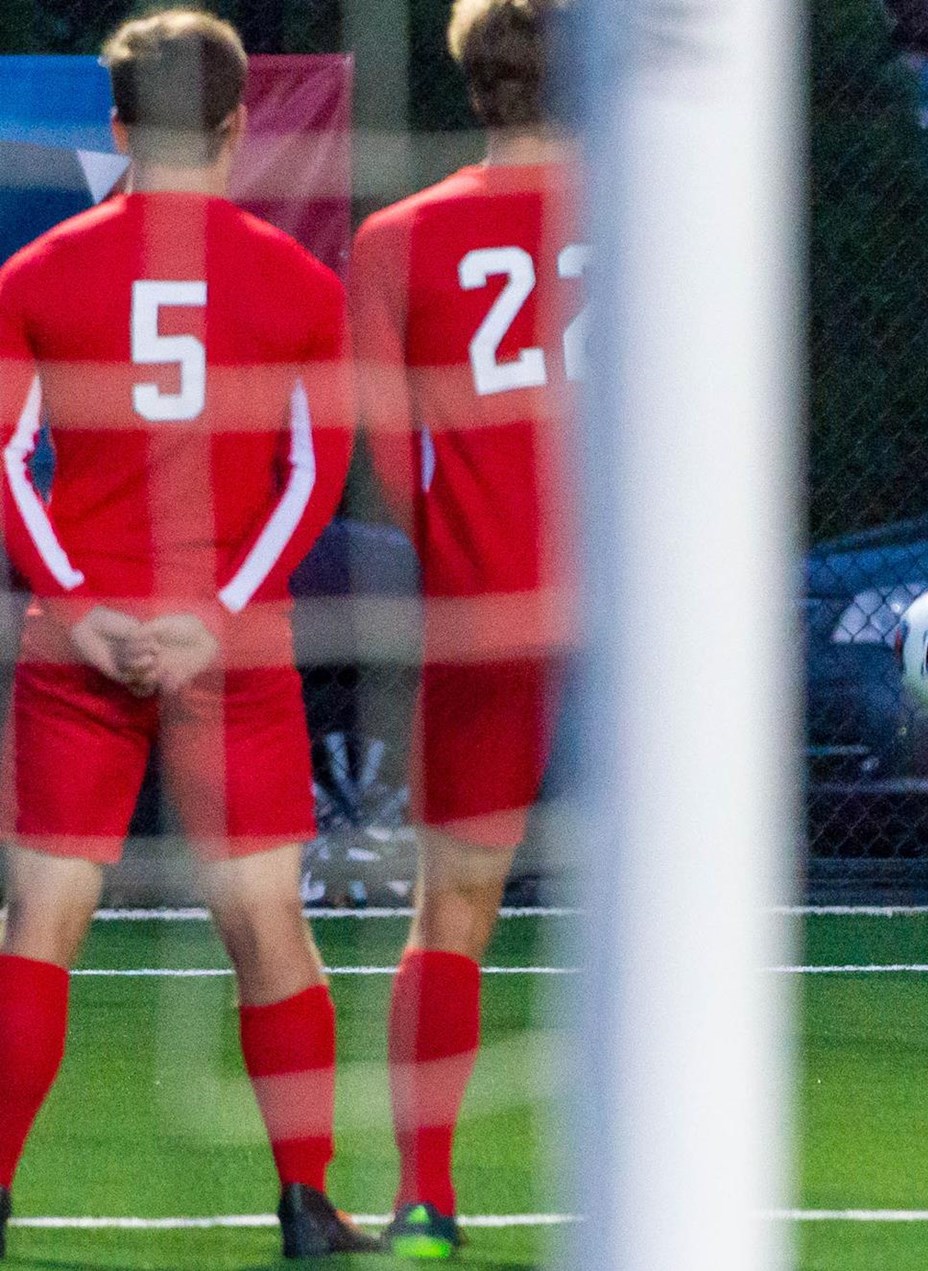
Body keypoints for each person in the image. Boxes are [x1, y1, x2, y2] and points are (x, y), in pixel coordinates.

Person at [0, 10, 372, 1257]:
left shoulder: (35, 275)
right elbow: (315, 471)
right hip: (230, 646)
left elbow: (6, 455)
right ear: (237, 127)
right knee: (268, 922)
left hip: (79, 635)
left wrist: (80, 607)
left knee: (42, 921)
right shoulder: (298, 282)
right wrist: (212, 619)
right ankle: (308, 1206)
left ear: (114, 128)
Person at [350, 0, 579, 1254]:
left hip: (490, 612)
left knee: (452, 912)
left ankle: (424, 1197)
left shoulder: (395, 238)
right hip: (643, 622)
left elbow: (394, 463)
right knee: (673, 899)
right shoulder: (662, 215)